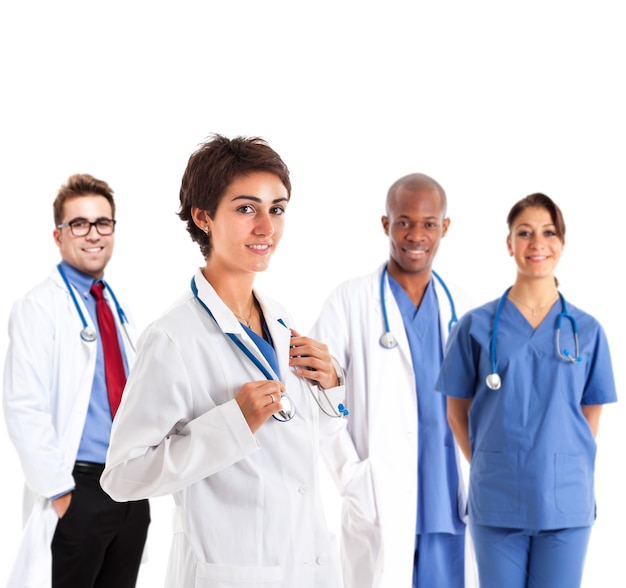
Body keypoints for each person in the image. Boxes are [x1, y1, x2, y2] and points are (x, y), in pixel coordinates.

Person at [100, 134, 354, 587]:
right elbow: (121, 476)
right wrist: (231, 425)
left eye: (276, 208)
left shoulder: (280, 318)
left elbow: (296, 445)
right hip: (230, 572)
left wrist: (331, 388)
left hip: (307, 566)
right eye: (245, 208)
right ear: (203, 217)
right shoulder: (173, 338)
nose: (266, 228)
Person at [436, 193, 617, 587]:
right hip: (497, 501)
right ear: (509, 244)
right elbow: (455, 412)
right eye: (525, 232)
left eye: (548, 232)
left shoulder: (587, 330)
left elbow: (591, 415)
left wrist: (561, 463)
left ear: (562, 243)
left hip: (566, 504)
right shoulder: (475, 326)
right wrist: (491, 462)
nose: (537, 243)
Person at [310, 173, 473, 587]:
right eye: (404, 221)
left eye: (428, 223)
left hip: (448, 499)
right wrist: (351, 477)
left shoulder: (464, 309)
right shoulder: (349, 301)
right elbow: (318, 398)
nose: (416, 235)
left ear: (445, 228)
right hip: (378, 498)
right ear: (386, 224)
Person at [3, 173, 150, 588]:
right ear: (58, 235)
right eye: (80, 224)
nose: (93, 234)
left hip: (129, 488)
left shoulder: (115, 306)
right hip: (79, 488)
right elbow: (23, 407)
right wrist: (63, 495)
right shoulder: (38, 306)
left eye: (103, 223)